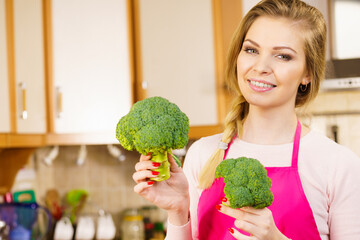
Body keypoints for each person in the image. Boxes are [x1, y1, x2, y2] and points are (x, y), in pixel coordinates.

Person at [132, 0, 360, 239]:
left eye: (283, 56)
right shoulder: (202, 154)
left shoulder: (338, 165)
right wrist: (178, 212)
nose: (260, 66)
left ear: (308, 73)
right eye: (251, 50)